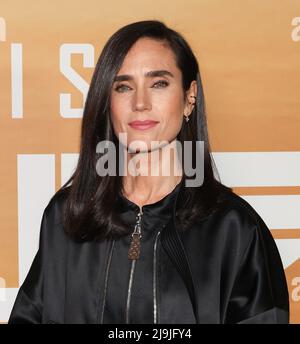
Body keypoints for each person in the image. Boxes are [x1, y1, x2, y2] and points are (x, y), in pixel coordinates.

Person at [9, 20, 289, 324]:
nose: (140, 103)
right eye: (124, 86)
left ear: (189, 97)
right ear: (108, 101)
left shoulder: (234, 229)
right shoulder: (67, 218)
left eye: (159, 83)